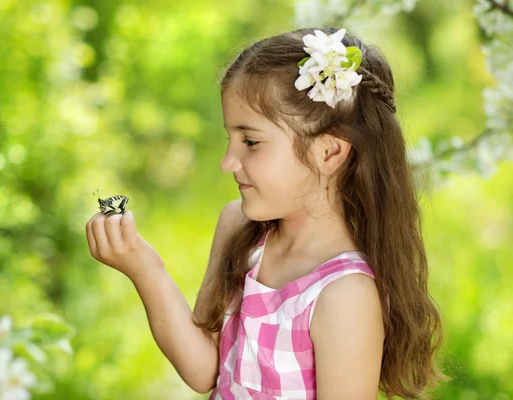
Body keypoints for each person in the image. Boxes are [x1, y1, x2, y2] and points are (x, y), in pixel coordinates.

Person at [86, 26, 451, 400]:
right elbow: (203, 371)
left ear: (329, 153)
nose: (228, 162)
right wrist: (145, 269)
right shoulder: (240, 230)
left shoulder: (345, 295)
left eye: (251, 142)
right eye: (230, 139)